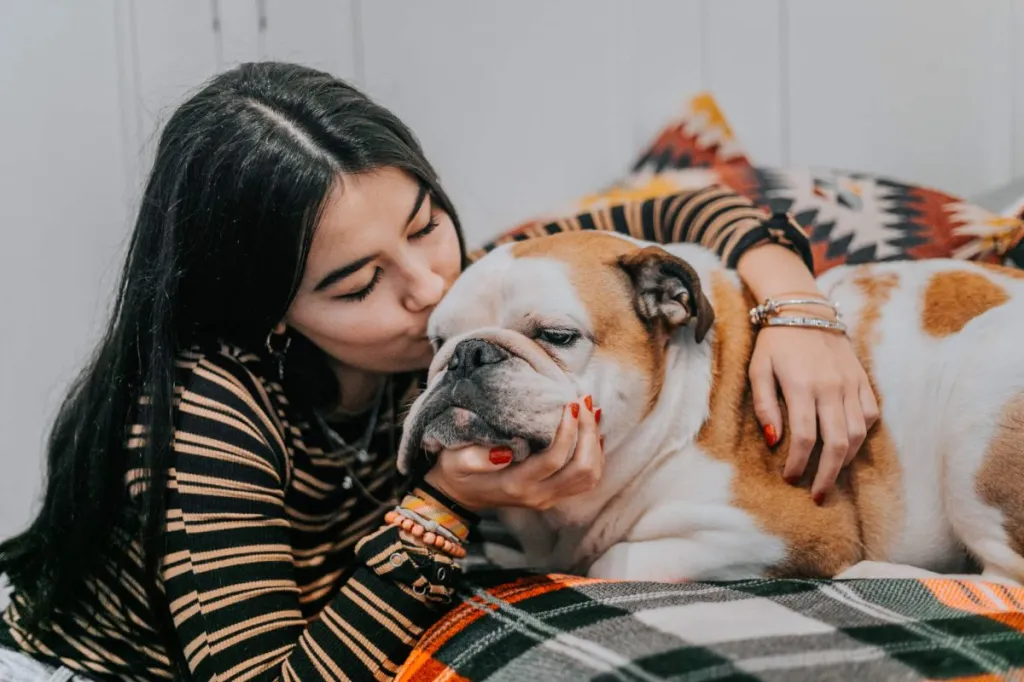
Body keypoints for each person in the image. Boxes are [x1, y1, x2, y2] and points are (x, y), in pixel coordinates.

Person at [0, 62, 877, 682]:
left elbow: (675, 204)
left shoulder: (470, 297)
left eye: (424, 224)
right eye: (358, 284)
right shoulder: (205, 409)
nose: (429, 288)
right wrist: (448, 505)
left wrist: (792, 302)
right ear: (269, 313)